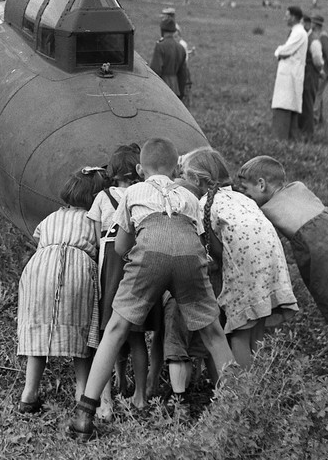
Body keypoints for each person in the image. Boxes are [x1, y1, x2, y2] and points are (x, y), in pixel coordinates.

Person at [69, 138, 235, 440]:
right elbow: (198, 238)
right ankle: (240, 408)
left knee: (117, 328)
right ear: (176, 169)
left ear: (138, 168)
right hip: (189, 254)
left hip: (149, 254)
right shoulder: (188, 195)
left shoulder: (133, 192)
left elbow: (120, 247)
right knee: (213, 333)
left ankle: (84, 414)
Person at [235, 155, 328, 406]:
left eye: (246, 192)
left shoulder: (265, 209)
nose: (246, 198)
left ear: (262, 185)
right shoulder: (297, 187)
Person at [180, 148, 298, 367]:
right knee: (257, 333)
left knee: (239, 335)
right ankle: (260, 384)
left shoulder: (203, 205)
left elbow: (215, 252)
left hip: (245, 270)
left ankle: (244, 395)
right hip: (271, 265)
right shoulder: (243, 199)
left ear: (195, 180)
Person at [17, 167, 106, 414]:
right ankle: (81, 392)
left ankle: (29, 394)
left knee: (38, 328)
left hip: (40, 269)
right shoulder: (93, 220)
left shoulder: (51, 217)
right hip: (77, 268)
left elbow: (39, 238)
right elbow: (100, 249)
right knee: (82, 330)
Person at [87, 143, 157, 418]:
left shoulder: (103, 197)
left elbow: (95, 238)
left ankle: (109, 394)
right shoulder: (143, 193)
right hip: (138, 258)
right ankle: (140, 394)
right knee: (137, 335)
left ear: (113, 171)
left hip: (110, 265)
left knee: (108, 330)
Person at [271, 6, 308, 140]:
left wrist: (278, 51)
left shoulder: (299, 33)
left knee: (284, 107)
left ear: (293, 17)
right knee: (286, 104)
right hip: (289, 78)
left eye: (287, 15)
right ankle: (287, 140)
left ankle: (281, 140)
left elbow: (285, 51)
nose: (285, 18)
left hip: (290, 78)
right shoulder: (296, 32)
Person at [150, 20, 191, 107]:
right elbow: (183, 74)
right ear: (174, 31)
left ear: (162, 31)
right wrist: (181, 92)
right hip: (176, 88)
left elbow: (156, 69)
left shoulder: (160, 46)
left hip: (162, 87)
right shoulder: (181, 48)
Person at [298, 16, 324, 139]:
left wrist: (320, 71)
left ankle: (308, 133)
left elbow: (318, 61)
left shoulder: (313, 40)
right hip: (304, 74)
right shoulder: (306, 38)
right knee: (303, 103)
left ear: (308, 25)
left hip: (310, 75)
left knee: (308, 104)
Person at [312, 16, 328, 126]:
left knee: (317, 94)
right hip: (319, 70)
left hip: (323, 70)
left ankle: (314, 119)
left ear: (315, 25)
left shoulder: (322, 37)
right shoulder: (318, 35)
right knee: (318, 94)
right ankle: (319, 119)